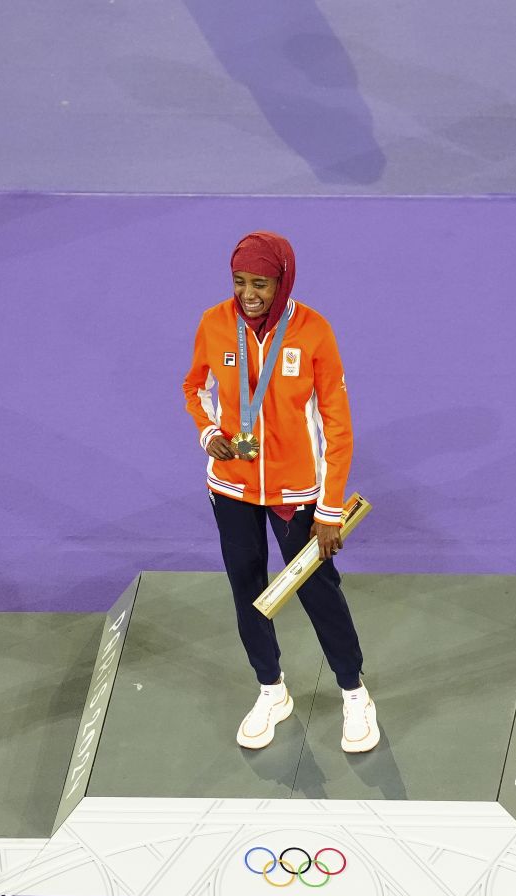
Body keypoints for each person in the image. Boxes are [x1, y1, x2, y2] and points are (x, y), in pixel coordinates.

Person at [181, 232, 378, 753]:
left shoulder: (313, 332)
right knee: (247, 590)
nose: (249, 294)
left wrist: (330, 508)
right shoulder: (214, 324)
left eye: (261, 284)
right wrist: (210, 433)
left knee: (317, 590)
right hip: (232, 489)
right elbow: (194, 388)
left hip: (298, 493)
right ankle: (271, 689)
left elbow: (338, 426)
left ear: (282, 280)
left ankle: (354, 691)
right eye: (240, 282)